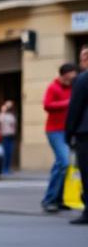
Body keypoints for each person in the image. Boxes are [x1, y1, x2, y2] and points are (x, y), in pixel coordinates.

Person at [42, 64, 76, 212]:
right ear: (64, 75)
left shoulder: (73, 88)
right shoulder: (53, 87)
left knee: (62, 165)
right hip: (54, 131)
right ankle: (49, 199)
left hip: (68, 131)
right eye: (70, 77)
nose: (72, 80)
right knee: (64, 162)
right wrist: (67, 103)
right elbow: (47, 105)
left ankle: (58, 199)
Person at [63, 58, 88, 224]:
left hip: (86, 134)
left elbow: (75, 107)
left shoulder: (83, 79)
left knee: (87, 173)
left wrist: (69, 132)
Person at [0, 100, 17, 174]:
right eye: (8, 106)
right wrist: (3, 112)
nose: (9, 107)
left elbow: (14, 125)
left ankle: (8, 168)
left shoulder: (12, 115)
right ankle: (4, 169)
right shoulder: (1, 115)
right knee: (4, 153)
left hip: (11, 136)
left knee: (10, 153)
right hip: (4, 136)